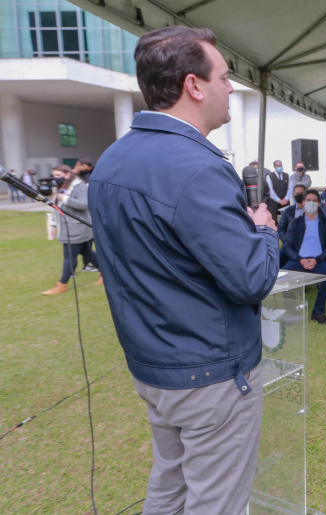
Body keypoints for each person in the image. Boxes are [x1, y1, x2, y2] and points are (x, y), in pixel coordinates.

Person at [88, 26, 280, 514]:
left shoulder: (113, 159)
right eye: (224, 76)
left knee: (169, 490)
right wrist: (262, 231)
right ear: (194, 86)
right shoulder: (196, 167)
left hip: (154, 367)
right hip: (210, 375)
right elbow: (252, 279)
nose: (231, 87)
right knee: (215, 503)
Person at [42, 165, 104, 294]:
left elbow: (83, 204)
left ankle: (62, 284)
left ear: (67, 174)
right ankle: (106, 274)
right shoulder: (63, 186)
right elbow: (56, 206)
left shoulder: (78, 186)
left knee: (69, 256)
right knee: (87, 252)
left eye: (58, 175)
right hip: (68, 227)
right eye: (54, 175)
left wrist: (64, 198)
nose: (55, 178)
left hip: (77, 228)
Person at [280, 189, 326, 324]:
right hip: (299, 260)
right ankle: (292, 311)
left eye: (314, 200)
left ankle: (318, 311)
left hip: (319, 260)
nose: (311, 203)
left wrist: (317, 259)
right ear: (303, 203)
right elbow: (287, 246)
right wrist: (300, 259)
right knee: (284, 276)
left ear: (319, 204)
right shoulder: (295, 222)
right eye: (308, 200)